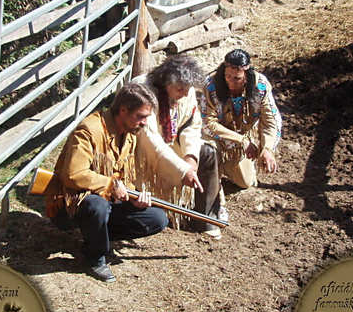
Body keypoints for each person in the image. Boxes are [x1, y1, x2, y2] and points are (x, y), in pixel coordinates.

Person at [44, 81, 201, 283]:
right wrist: (110, 185)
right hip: (70, 206)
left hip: (107, 204)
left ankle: (94, 238)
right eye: (141, 117)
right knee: (96, 204)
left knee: (157, 218)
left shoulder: (131, 135)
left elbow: (126, 177)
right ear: (124, 110)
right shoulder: (89, 130)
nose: (145, 123)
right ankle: (95, 258)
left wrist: (134, 197)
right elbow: (73, 175)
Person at [134, 54, 225, 239]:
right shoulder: (143, 90)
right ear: (167, 82)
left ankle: (205, 218)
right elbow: (149, 138)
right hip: (142, 151)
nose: (185, 93)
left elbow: (191, 124)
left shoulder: (186, 90)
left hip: (171, 143)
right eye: (180, 89)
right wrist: (183, 170)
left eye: (188, 89)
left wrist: (191, 157)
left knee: (208, 152)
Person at [200, 49, 282, 189]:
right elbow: (208, 122)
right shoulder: (210, 85)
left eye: (237, 78)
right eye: (227, 76)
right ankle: (214, 173)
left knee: (245, 182)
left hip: (243, 138)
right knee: (209, 152)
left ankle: (225, 165)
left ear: (246, 76)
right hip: (215, 137)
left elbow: (271, 120)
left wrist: (267, 148)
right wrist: (241, 140)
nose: (231, 82)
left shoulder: (260, 86)